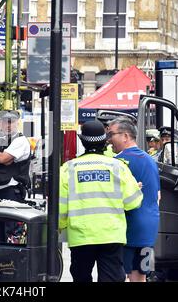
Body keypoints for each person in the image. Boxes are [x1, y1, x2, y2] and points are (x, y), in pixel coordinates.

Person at [59, 120, 143, 282]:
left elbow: (61, 206)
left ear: (82, 141)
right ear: (105, 140)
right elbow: (133, 202)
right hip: (111, 235)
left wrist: (60, 225)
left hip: (81, 236)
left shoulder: (68, 168)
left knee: (81, 277)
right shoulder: (118, 167)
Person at [107, 117, 160, 282]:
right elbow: (158, 196)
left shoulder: (118, 162)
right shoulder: (151, 161)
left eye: (111, 135)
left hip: (128, 228)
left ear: (125, 136)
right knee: (141, 275)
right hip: (150, 228)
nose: (109, 141)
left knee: (124, 273)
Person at [0, 110, 31, 203]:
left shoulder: (20, 140)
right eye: (5, 122)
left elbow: (2, 159)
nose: (8, 125)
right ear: (0, 123)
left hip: (11, 193)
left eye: (11, 122)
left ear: (17, 123)